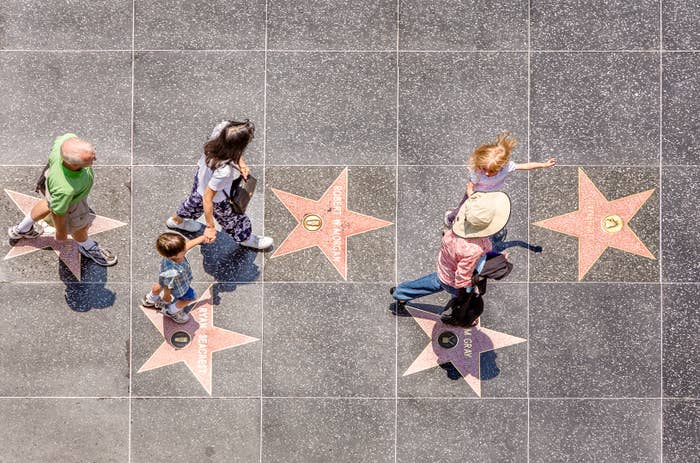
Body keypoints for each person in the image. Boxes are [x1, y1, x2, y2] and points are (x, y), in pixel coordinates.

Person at [7, 133, 117, 266]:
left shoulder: (65, 141)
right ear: (74, 165)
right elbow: (58, 212)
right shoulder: (66, 189)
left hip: (51, 184)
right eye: (90, 160)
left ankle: (21, 229)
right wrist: (61, 231)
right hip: (72, 204)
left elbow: (53, 205)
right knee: (79, 228)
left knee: (48, 203)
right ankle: (87, 246)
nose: (95, 159)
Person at [392, 191, 511, 309]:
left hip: (445, 267)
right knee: (462, 302)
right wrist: (469, 291)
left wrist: (494, 255)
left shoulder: (458, 227)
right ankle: (456, 315)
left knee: (432, 283)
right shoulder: (473, 250)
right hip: (454, 281)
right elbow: (462, 277)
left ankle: (401, 292)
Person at [167, 119, 273, 250]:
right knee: (233, 219)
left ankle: (177, 221)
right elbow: (208, 198)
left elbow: (231, 148)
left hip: (200, 180)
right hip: (218, 199)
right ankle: (246, 238)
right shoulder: (223, 171)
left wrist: (241, 163)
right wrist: (210, 227)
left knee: (193, 202)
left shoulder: (221, 130)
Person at [445, 132, 555, 226]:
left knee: (483, 213)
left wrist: (543, 164)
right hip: (475, 195)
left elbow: (525, 166)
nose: (487, 173)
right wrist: (473, 198)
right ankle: (450, 218)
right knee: (462, 209)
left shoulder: (506, 167)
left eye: (492, 171)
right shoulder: (478, 172)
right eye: (484, 169)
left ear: (501, 166)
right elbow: (470, 187)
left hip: (491, 195)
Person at [141, 232, 205, 324]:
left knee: (159, 285)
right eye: (183, 249)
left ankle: (150, 299)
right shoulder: (173, 271)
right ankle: (171, 311)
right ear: (174, 255)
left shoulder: (171, 255)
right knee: (191, 297)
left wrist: (202, 238)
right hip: (180, 287)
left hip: (163, 277)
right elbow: (168, 286)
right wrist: (167, 297)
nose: (185, 248)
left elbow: (186, 246)